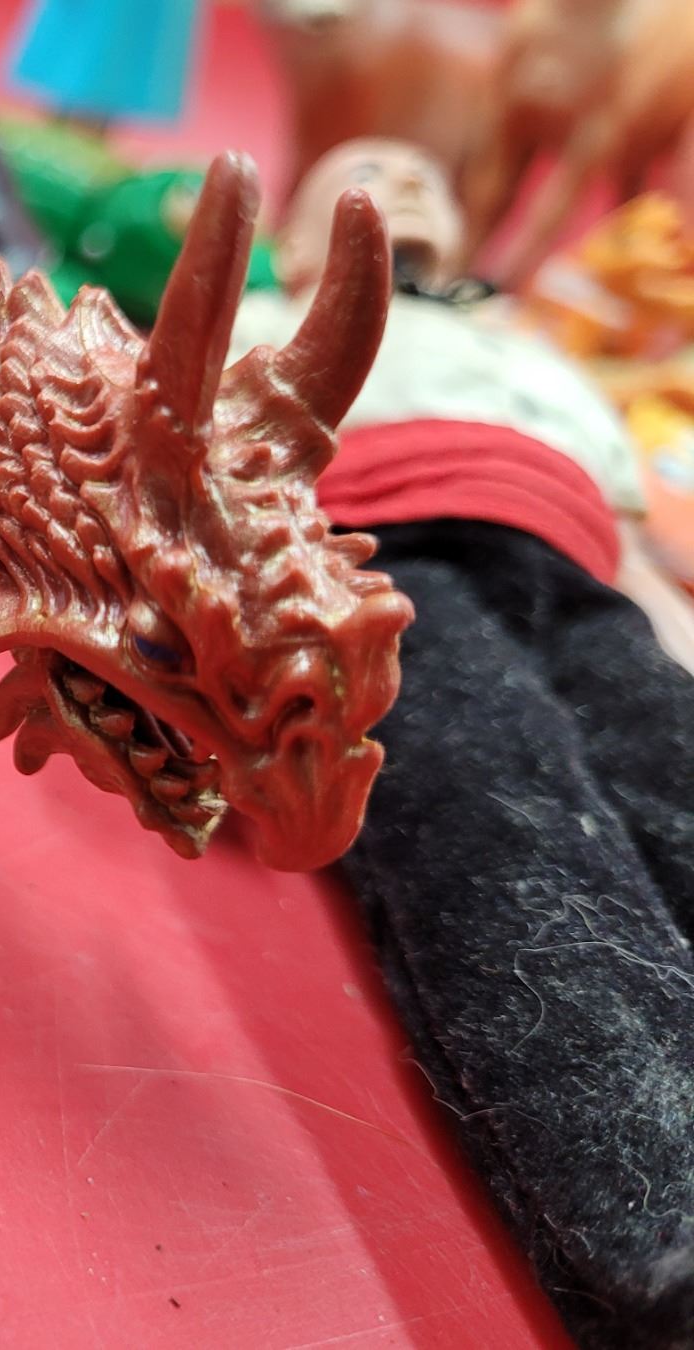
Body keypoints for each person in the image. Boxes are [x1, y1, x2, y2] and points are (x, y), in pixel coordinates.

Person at [230, 138, 694, 1346]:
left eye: (422, 169)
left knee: (676, 769)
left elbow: (627, 528)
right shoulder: (260, 319)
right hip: (381, 564)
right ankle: (662, 1199)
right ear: (290, 238)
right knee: (501, 825)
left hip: (576, 575)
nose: (408, 175)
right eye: (364, 166)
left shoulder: (521, 348)